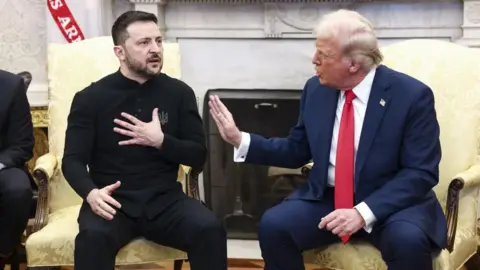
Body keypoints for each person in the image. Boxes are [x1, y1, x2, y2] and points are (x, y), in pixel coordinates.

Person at [209, 9, 446, 270]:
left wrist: (362, 212)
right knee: (275, 225)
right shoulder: (316, 89)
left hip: (392, 202)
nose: (314, 60)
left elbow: (420, 172)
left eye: (325, 55)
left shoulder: (411, 96)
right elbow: (297, 149)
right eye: (316, 51)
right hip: (330, 198)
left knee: (408, 241)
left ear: (353, 64)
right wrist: (240, 139)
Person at [62, 10, 227, 270]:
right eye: (144, 43)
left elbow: (198, 155)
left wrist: (161, 141)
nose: (155, 49)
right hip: (112, 201)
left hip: (165, 200)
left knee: (210, 228)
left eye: (158, 41)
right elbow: (72, 160)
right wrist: (91, 194)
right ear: (120, 52)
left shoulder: (180, 93)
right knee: (93, 238)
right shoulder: (90, 98)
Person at [0, 70, 34, 268]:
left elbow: (23, 144)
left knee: (18, 190)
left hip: (3, 165)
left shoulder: (11, 85)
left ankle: (3, 252)